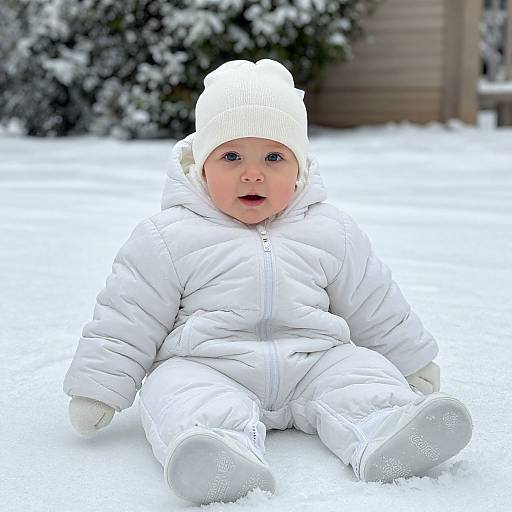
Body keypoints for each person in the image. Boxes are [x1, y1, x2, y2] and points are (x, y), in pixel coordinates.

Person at [63, 59, 473, 505]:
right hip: (210, 364)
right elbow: (128, 318)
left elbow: (373, 302)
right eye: (231, 156)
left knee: (359, 372)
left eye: (274, 157)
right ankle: (216, 451)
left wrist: (410, 361)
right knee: (175, 388)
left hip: (313, 360)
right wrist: (98, 389)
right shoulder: (167, 237)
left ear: (299, 168)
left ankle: (387, 429)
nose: (252, 173)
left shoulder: (330, 230)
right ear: (201, 167)